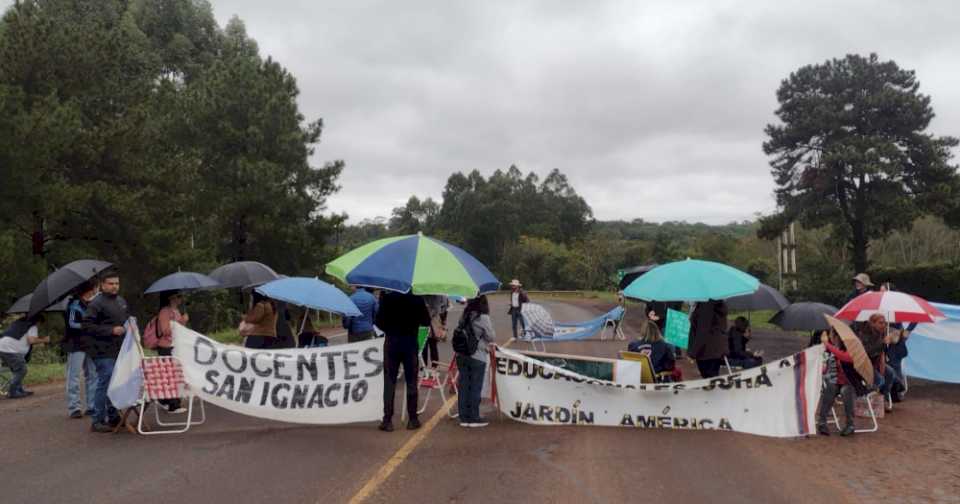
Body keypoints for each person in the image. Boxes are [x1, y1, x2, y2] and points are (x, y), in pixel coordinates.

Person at [375, 291, 431, 432]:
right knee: (411, 381)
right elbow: (426, 321)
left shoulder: (386, 298)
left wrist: (391, 328)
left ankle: (387, 420)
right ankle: (412, 419)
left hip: (392, 342)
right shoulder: (417, 298)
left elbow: (379, 322)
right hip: (410, 342)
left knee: (389, 381)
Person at [82, 273, 130, 433]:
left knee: (116, 382)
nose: (115, 286)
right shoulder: (96, 303)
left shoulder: (121, 301)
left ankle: (114, 416)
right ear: (102, 285)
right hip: (101, 350)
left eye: (117, 283)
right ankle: (97, 420)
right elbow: (86, 326)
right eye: (111, 283)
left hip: (119, 349)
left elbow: (125, 320)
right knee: (106, 381)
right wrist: (110, 330)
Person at [816, 330, 868, 437]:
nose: (832, 339)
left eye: (834, 337)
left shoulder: (853, 350)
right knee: (829, 388)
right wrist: (822, 368)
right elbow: (827, 369)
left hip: (852, 383)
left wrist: (827, 344)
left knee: (846, 390)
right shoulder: (832, 351)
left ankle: (850, 424)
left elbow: (845, 357)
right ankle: (822, 422)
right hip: (836, 381)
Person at [455, 295, 496, 427]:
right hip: (477, 355)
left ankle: (463, 417)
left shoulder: (465, 314)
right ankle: (473, 417)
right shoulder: (483, 317)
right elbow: (491, 337)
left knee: (464, 385)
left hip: (461, 354)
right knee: (475, 386)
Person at [63, 282, 98, 418]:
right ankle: (74, 408)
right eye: (93, 290)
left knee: (93, 375)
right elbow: (72, 324)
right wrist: (87, 325)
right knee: (74, 376)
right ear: (87, 291)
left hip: (90, 344)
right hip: (75, 344)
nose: (95, 292)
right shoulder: (74, 305)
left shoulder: (92, 305)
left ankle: (92, 406)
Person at [154, 292, 189, 413]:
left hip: (175, 346)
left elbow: (179, 329)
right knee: (170, 376)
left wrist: (183, 322)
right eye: (178, 296)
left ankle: (169, 401)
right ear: (171, 298)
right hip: (166, 347)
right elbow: (165, 330)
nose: (181, 298)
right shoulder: (165, 311)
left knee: (176, 374)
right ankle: (172, 404)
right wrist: (180, 322)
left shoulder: (176, 310)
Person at [0, 315, 49, 399]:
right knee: (22, 370)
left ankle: (19, 390)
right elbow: (31, 340)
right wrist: (44, 340)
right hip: (10, 349)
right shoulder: (33, 326)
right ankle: (12, 392)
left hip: (3, 346)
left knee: (16, 370)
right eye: (40, 324)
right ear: (38, 322)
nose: (39, 326)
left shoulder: (20, 323)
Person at [857, 313, 899, 408]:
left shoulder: (882, 332)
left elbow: (883, 351)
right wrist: (883, 342)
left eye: (884, 323)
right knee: (880, 381)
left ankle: (884, 397)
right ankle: (864, 398)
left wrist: (890, 342)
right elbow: (867, 351)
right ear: (872, 323)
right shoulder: (863, 334)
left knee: (891, 373)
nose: (883, 325)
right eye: (880, 323)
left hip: (876, 362)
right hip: (865, 363)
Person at [627, 310, 676, 377]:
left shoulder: (632, 345)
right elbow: (670, 367)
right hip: (656, 378)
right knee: (677, 372)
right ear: (657, 331)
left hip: (638, 376)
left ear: (643, 330)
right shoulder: (666, 346)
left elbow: (629, 363)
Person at [688, 300, 728, 378]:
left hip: (706, 351)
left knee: (709, 382)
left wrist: (693, 353)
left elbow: (702, 331)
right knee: (712, 379)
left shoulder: (705, 306)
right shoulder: (714, 304)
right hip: (713, 349)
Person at [421, 295, 449, 369]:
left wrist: (428, 312)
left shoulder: (435, 296)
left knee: (429, 345)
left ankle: (432, 366)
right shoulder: (438, 295)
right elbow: (442, 308)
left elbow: (438, 309)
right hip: (430, 322)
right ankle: (429, 366)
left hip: (430, 323)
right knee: (426, 346)